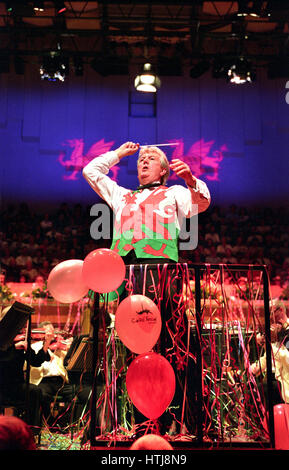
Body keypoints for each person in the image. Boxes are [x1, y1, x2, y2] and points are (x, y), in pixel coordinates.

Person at [82, 142, 211, 436]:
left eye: (151, 157)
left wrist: (190, 180)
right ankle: (142, 422)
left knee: (170, 344)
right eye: (141, 157)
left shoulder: (175, 193)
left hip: (163, 274)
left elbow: (202, 202)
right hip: (129, 275)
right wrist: (118, 155)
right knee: (135, 346)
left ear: (164, 170)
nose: (144, 159)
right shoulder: (121, 194)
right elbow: (91, 171)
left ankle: (177, 420)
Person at [0, 311, 52, 430]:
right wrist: (14, 347)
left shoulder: (21, 338)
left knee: (35, 391)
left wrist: (46, 344)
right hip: (2, 385)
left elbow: (35, 361)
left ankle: (31, 430)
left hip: (16, 385)